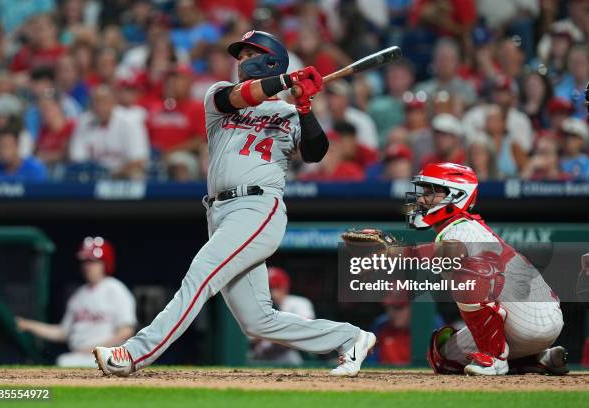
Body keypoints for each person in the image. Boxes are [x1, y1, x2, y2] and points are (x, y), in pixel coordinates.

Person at [93, 30, 375, 378]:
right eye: (239, 56)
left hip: (258, 205)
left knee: (200, 275)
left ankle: (135, 353)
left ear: (270, 60)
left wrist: (304, 106)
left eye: (247, 55)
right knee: (257, 320)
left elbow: (316, 153)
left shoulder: (288, 114)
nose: (240, 61)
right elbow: (237, 98)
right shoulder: (218, 96)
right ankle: (350, 338)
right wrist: (286, 80)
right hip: (219, 211)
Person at [403, 162, 568, 375]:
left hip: (530, 318)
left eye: (430, 192)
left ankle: (494, 357)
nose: (421, 199)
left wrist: (392, 253)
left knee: (469, 273)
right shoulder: (463, 227)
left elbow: (451, 252)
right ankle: (540, 358)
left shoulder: (463, 228)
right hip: (534, 323)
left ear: (456, 195)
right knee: (443, 358)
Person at [16, 237, 136, 367]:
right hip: (78, 357)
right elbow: (62, 332)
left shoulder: (115, 289)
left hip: (109, 356)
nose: (87, 266)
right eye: (85, 261)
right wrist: (28, 325)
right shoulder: (78, 296)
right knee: (63, 361)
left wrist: (96, 349)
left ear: (105, 263)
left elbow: (126, 330)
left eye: (93, 261)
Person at [69, 84, 149, 179]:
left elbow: (139, 160)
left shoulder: (130, 122)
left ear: (113, 102)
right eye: (95, 102)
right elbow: (77, 158)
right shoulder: (83, 122)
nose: (99, 107)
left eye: (104, 101)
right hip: (92, 176)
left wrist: (111, 174)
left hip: (123, 176)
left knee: (136, 174)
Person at [249, 267, 316, 366]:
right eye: (267, 289)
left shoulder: (298, 303)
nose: (270, 293)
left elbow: (306, 328)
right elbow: (251, 339)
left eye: (274, 288)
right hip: (263, 357)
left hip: (290, 356)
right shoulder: (254, 308)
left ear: (285, 288)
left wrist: (270, 334)